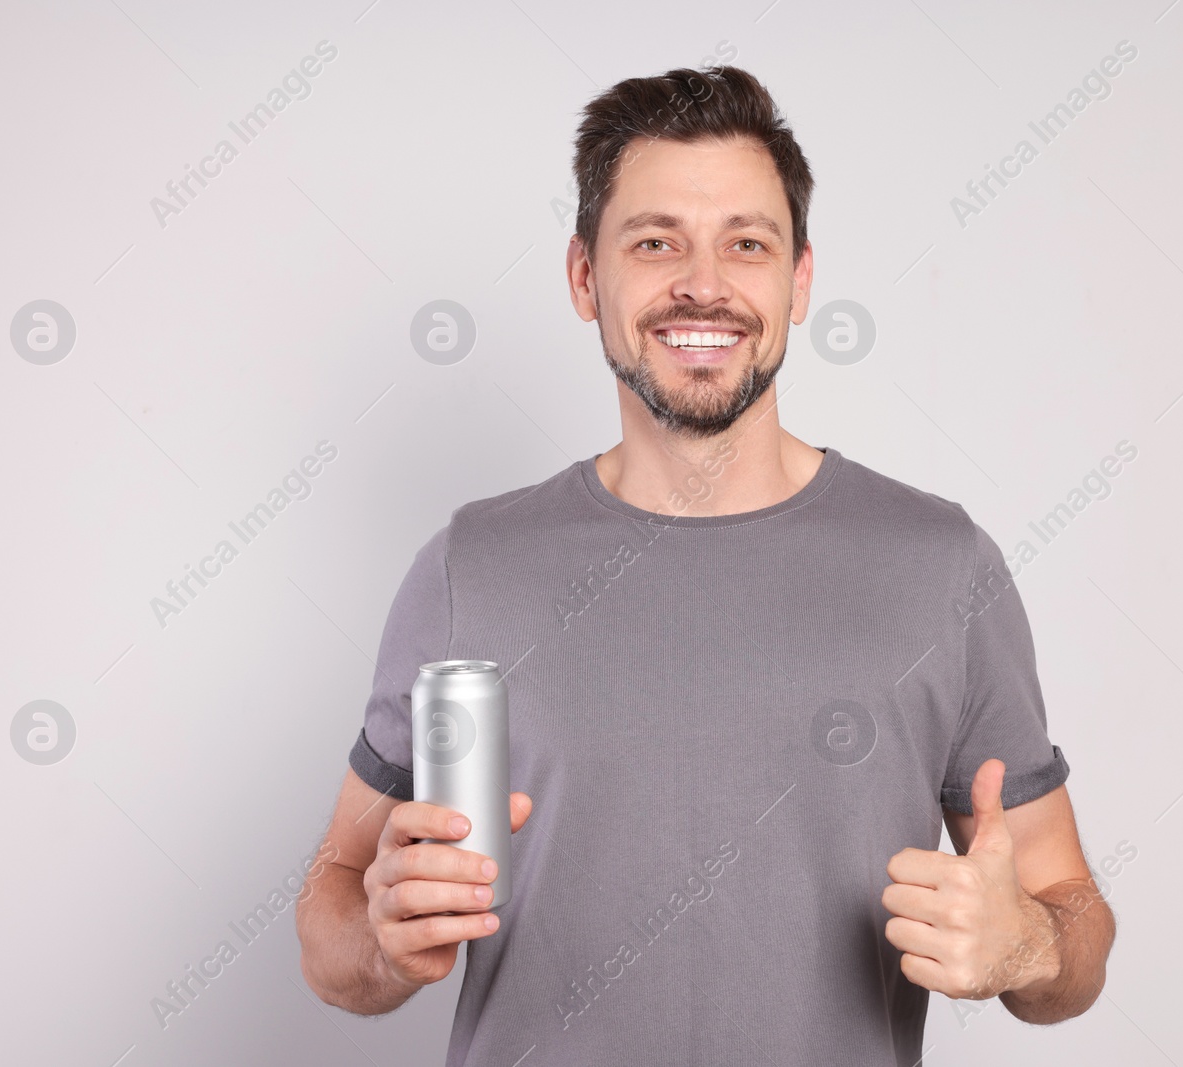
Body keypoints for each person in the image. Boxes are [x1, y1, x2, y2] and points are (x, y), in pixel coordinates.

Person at [297, 64, 1114, 1065]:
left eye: (747, 243)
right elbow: (333, 906)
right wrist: (378, 935)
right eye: (654, 243)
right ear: (583, 276)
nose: (703, 283)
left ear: (798, 280)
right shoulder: (471, 565)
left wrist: (1027, 943)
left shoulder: (942, 566)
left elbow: (1070, 912)